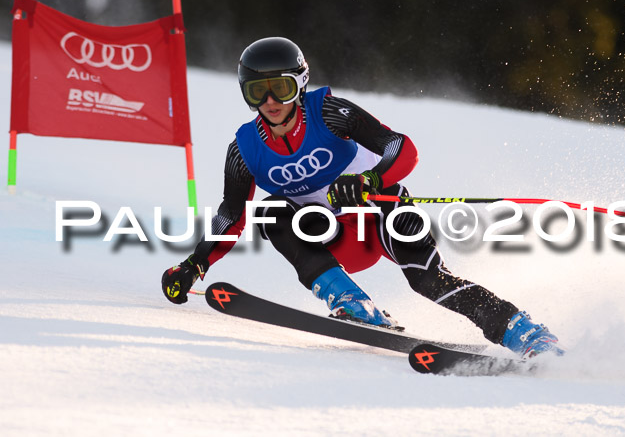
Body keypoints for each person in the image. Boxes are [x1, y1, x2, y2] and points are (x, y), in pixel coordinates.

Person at [161, 37, 563, 359]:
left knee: (428, 280)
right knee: (271, 213)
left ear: (299, 84)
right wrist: (194, 265)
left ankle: (524, 333)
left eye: (280, 88)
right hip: (330, 237)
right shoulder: (245, 148)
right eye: (257, 91)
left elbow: (402, 149)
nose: (270, 101)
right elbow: (232, 215)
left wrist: (369, 178)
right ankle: (351, 301)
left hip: (381, 212)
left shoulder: (330, 113)